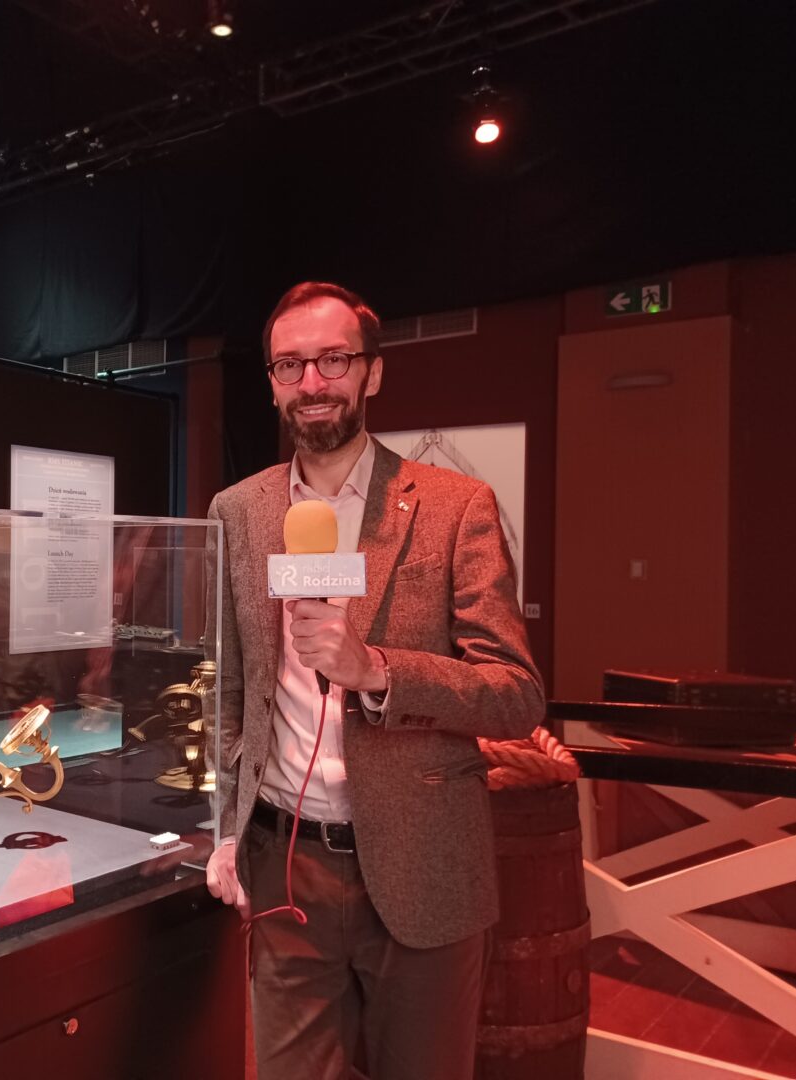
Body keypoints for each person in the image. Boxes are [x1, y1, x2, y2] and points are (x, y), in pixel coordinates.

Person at [205, 281, 545, 1079]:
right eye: (290, 365)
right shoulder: (238, 511)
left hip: (424, 865)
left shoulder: (457, 507)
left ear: (372, 372)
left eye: (333, 360)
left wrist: (378, 671)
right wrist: (223, 826)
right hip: (285, 864)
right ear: (272, 382)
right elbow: (229, 690)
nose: (312, 382)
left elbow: (516, 694)